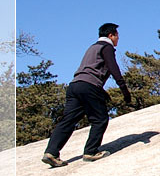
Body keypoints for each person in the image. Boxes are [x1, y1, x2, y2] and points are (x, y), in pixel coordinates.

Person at [42, 23, 134, 167]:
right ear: (111, 35)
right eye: (117, 36)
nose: (118, 39)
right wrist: (124, 90)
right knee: (100, 118)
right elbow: (113, 67)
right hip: (89, 86)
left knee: (68, 120)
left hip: (74, 85)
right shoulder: (107, 47)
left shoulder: (92, 47)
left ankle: (51, 152)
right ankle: (91, 152)